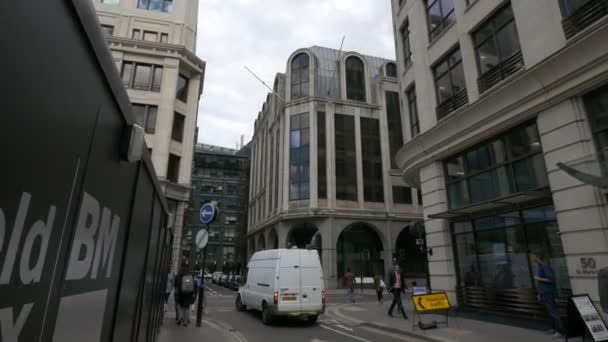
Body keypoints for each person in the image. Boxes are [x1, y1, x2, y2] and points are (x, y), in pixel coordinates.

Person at [533, 251, 564, 339]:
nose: (533, 258)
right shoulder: (540, 266)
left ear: (538, 257)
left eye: (534, 256)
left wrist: (538, 278)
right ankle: (554, 328)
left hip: (548, 293)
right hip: (544, 293)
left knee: (553, 312)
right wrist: (539, 293)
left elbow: (550, 279)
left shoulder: (544, 266)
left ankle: (559, 331)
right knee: (550, 312)